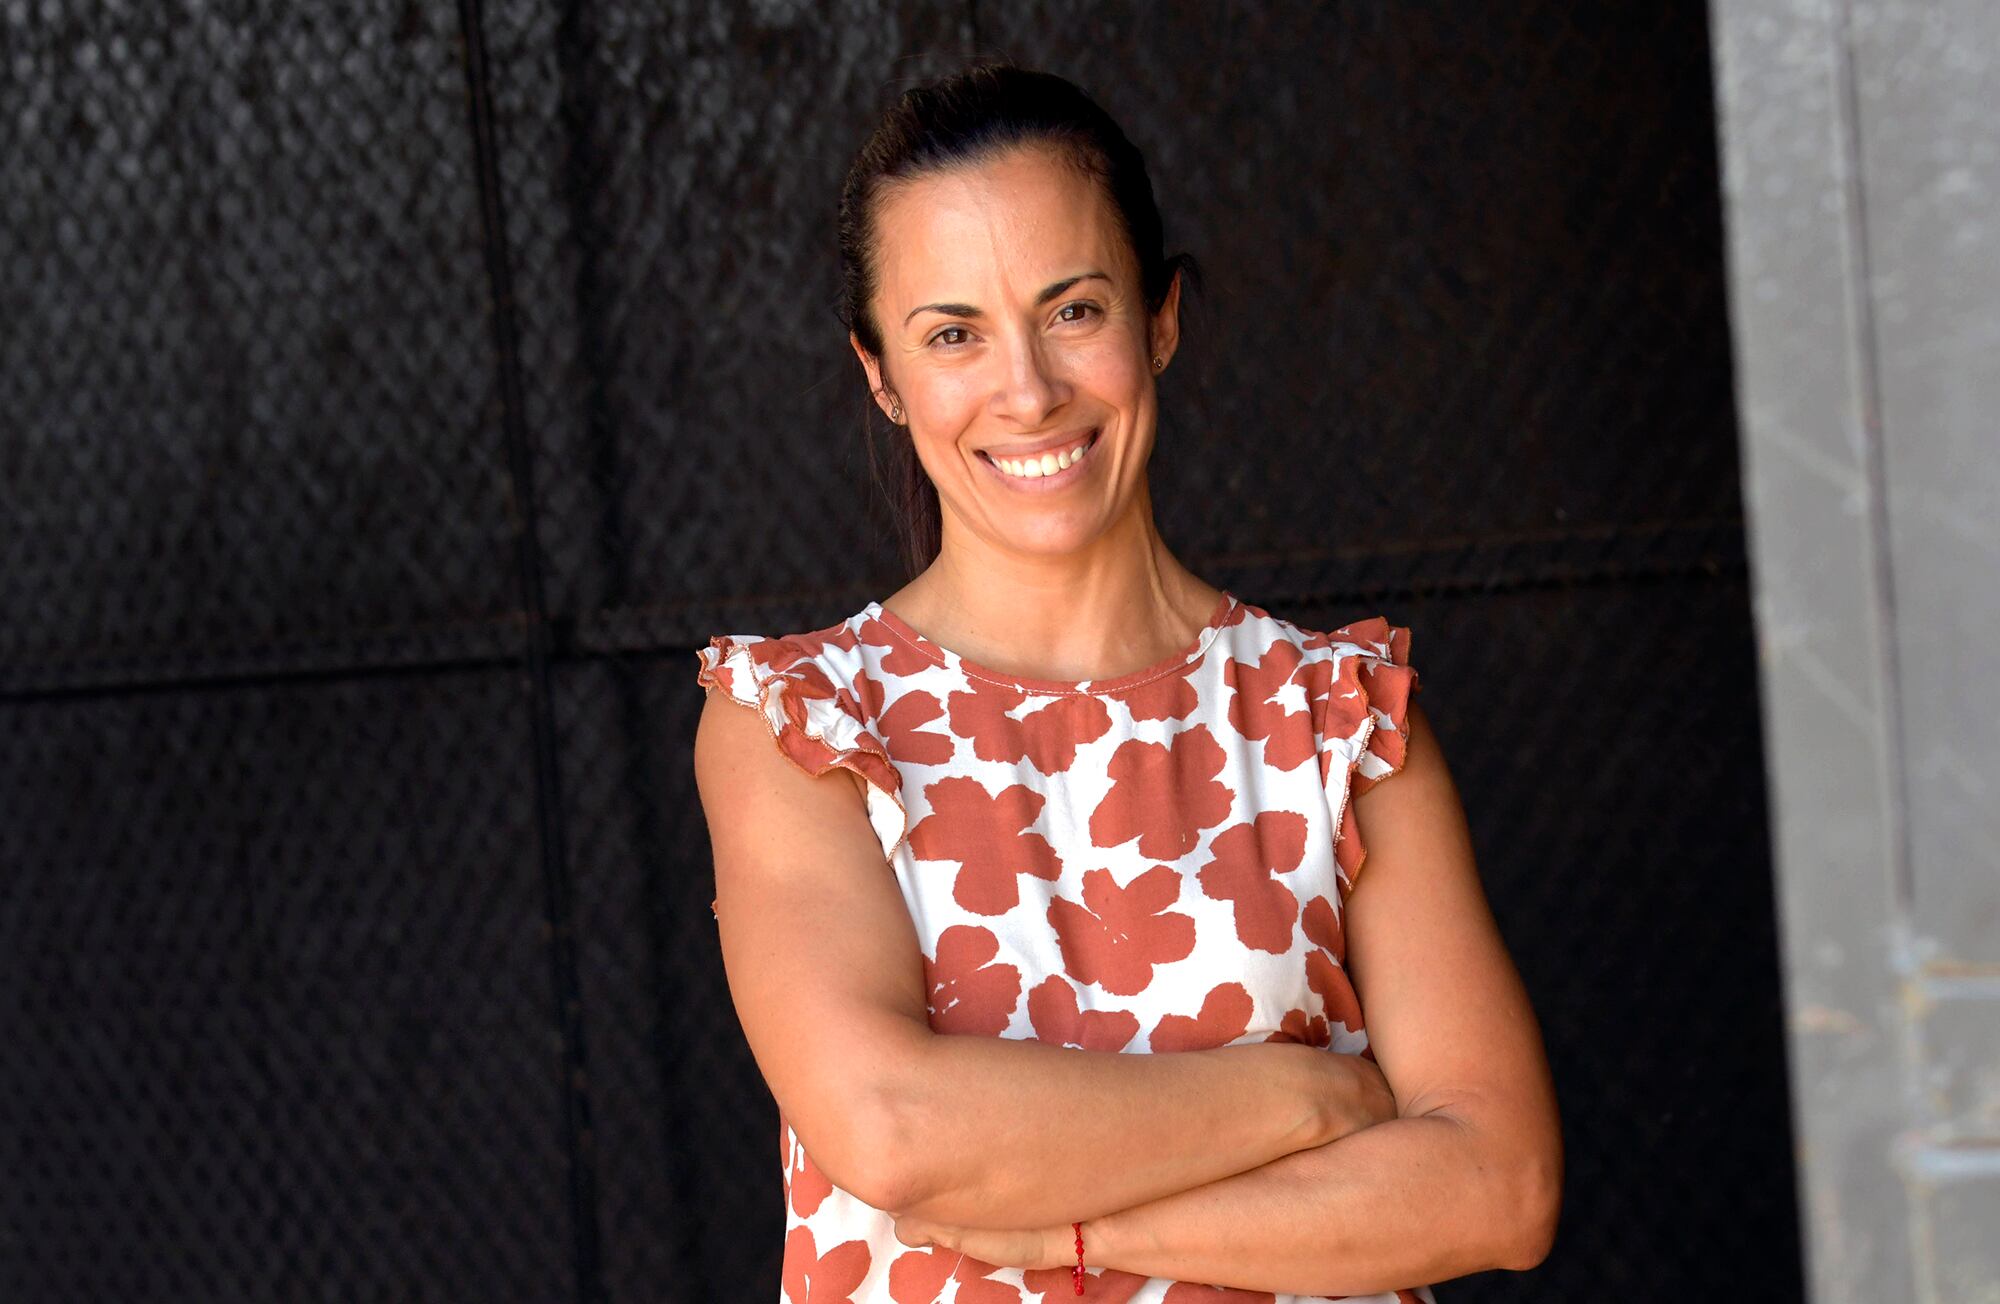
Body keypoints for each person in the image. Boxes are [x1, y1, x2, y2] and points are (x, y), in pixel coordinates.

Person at [692, 61, 1560, 1304]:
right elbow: (891, 1127)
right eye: (951, 334)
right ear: (880, 374)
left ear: (1158, 317)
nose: (1029, 389)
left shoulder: (1341, 723)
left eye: (1073, 309)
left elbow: (1499, 1187)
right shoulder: (803, 723)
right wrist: (1302, 1093)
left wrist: (1061, 1237)